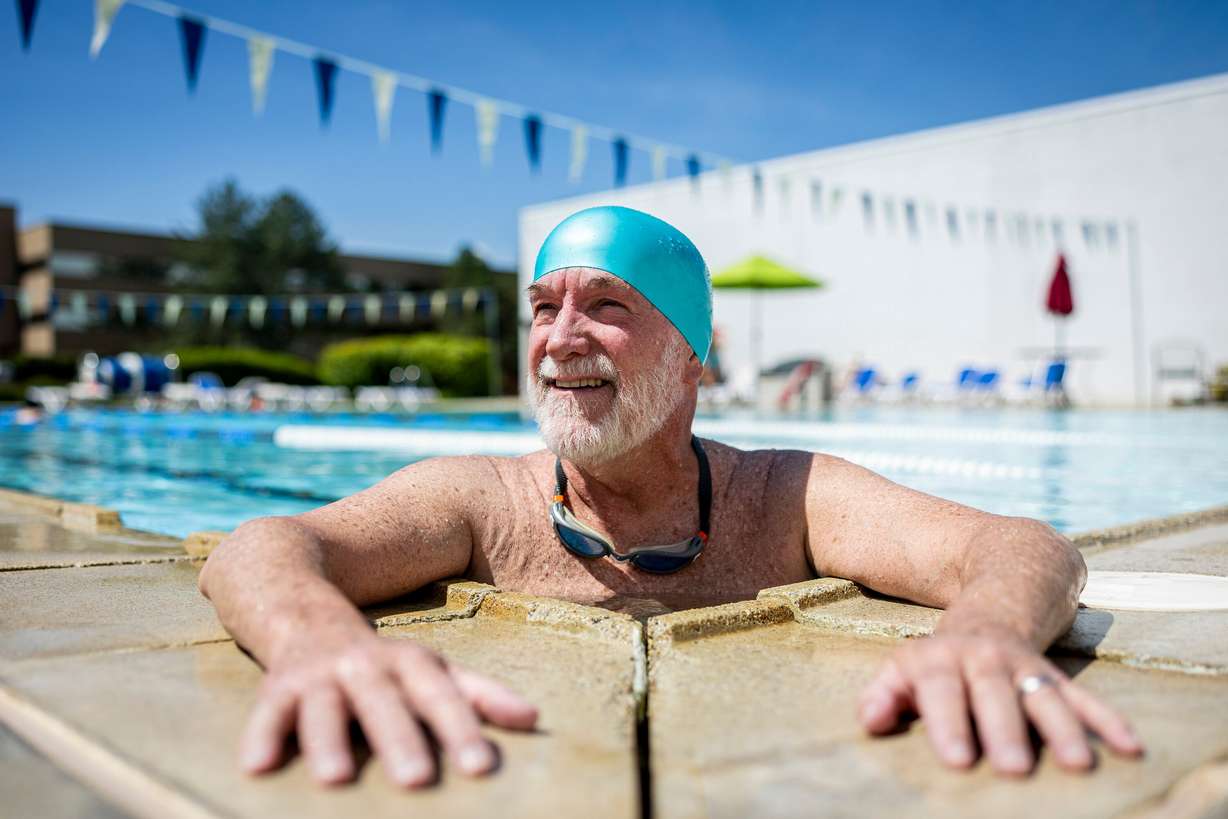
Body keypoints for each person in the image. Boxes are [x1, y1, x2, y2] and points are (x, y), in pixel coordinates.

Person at [199, 206, 1142, 790]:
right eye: (542, 307)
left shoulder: (784, 495)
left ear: (692, 356)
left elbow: (1022, 545)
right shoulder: (482, 500)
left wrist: (986, 632)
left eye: (606, 305)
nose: (560, 337)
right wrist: (317, 640)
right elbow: (264, 546)